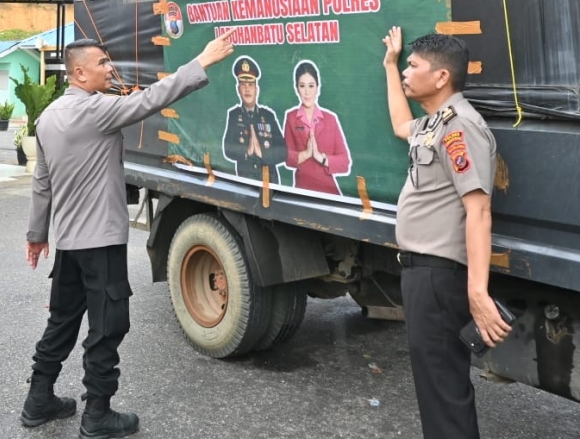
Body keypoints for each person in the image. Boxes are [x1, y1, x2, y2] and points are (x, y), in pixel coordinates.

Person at [23, 30, 236, 438]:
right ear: (80, 73)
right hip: (100, 241)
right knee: (108, 325)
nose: (110, 68)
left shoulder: (48, 117)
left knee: (62, 321)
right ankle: (97, 414)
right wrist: (203, 61)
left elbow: (41, 183)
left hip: (69, 242)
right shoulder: (96, 109)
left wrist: (37, 234)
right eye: (102, 63)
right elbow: (151, 99)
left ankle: (39, 400)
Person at [382, 27, 512, 439]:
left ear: (441, 77)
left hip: (439, 276)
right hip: (422, 274)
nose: (407, 70)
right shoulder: (435, 123)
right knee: (435, 388)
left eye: (413, 65)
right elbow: (402, 125)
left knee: (443, 391)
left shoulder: (460, 128)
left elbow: (479, 210)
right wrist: (388, 65)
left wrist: (478, 293)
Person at [283, 61, 352, 195]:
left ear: (317, 88)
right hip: (302, 190)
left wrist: (321, 158)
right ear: (297, 88)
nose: (307, 92)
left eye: (311, 86)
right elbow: (285, 156)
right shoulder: (291, 117)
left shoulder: (330, 119)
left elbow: (345, 162)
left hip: (328, 191)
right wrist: (305, 154)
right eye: (302, 86)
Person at [221, 55, 286, 181]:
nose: (247, 89)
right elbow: (227, 148)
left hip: (270, 181)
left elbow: (283, 152)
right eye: (243, 84)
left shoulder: (268, 116)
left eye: (250, 85)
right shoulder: (234, 115)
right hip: (245, 179)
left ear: (257, 90)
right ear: (238, 89)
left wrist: (263, 154)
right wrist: (247, 151)